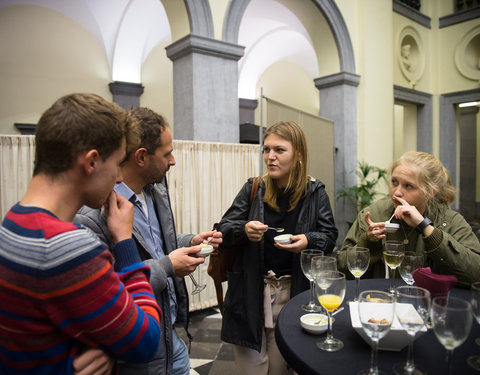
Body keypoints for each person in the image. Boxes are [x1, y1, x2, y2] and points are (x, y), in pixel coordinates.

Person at [0, 93, 162, 374]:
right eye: (116, 163)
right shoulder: (68, 248)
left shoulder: (12, 221)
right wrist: (124, 241)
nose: (119, 178)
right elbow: (145, 341)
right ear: (91, 162)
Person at [75, 106, 222, 375]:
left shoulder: (154, 192)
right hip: (135, 357)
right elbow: (113, 288)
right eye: (167, 153)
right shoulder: (93, 216)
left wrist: (189, 240)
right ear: (141, 157)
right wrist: (167, 266)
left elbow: (154, 245)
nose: (173, 160)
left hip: (170, 340)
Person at [218, 121, 338, 375]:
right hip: (250, 293)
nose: (270, 157)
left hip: (292, 294)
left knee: (278, 369)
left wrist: (308, 240)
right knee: (251, 369)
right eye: (266, 149)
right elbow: (224, 230)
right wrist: (244, 230)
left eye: (279, 150)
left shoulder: (315, 193)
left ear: (299, 156)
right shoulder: (254, 187)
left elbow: (329, 237)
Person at [338, 151, 480, 287]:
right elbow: (342, 270)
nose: (397, 192)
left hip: (431, 303)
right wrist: (368, 242)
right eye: (394, 182)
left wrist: (426, 228)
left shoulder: (450, 221)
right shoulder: (374, 214)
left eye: (408, 186)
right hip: (382, 303)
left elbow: (475, 274)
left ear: (431, 192)